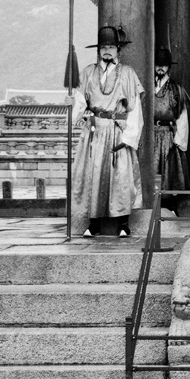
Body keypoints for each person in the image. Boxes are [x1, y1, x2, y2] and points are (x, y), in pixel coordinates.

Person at [67, 25, 145, 238]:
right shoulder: (88, 73)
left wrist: (130, 137)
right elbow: (80, 103)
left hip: (116, 131)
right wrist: (70, 115)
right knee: (92, 174)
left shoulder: (128, 74)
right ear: (98, 50)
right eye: (103, 47)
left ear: (118, 50)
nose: (107, 51)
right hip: (93, 131)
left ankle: (123, 223)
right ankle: (93, 223)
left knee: (120, 177)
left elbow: (134, 108)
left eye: (111, 47)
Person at [153, 47, 190, 192]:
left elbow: (182, 117)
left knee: (170, 173)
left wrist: (179, 141)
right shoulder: (147, 87)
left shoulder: (176, 89)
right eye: (158, 64)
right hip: (151, 134)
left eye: (164, 65)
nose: (161, 68)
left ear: (168, 67)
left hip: (168, 135)